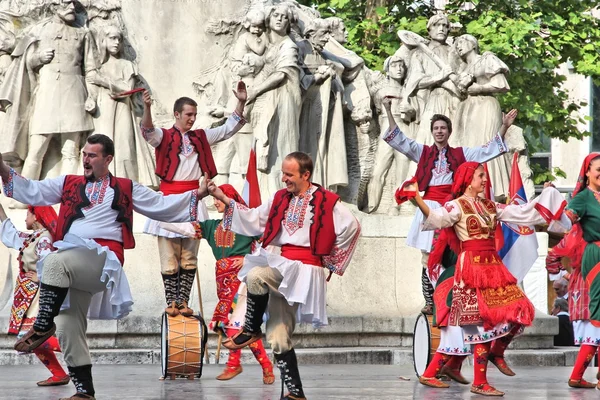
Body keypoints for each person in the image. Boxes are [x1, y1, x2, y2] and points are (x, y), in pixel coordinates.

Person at [4, 134, 210, 400]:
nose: (85, 160)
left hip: (102, 260)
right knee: (68, 326)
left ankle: (43, 325)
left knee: (53, 261)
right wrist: (1, 167)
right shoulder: (68, 183)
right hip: (70, 262)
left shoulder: (125, 186)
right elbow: (32, 190)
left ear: (108, 159)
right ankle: (84, 391)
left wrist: (199, 194)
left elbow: (162, 206)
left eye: (92, 155)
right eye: (84, 154)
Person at [207, 151, 361, 400]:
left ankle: (250, 328)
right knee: (278, 338)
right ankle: (295, 393)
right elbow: (254, 218)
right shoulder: (280, 198)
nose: (284, 179)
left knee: (256, 275)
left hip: (304, 268)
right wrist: (221, 195)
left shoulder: (327, 200)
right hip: (282, 266)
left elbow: (352, 227)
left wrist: (329, 258)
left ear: (306, 175)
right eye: (283, 173)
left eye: (289, 174)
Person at [411, 161, 567, 395]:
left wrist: (547, 195)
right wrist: (417, 200)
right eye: (480, 176)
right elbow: (437, 219)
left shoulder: (490, 205)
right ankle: (475, 380)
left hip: (493, 268)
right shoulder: (456, 206)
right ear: (467, 179)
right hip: (470, 270)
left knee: (520, 310)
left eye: (484, 176)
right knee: (479, 323)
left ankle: (492, 354)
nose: (485, 180)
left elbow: (523, 212)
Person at [382, 96, 517, 314]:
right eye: (436, 128)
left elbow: (488, 150)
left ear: (449, 131)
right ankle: (429, 300)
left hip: (453, 208)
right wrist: (388, 110)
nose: (439, 131)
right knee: (427, 257)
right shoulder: (422, 152)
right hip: (429, 208)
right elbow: (399, 139)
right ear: (432, 131)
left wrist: (504, 126)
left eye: (443, 128)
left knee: (454, 253)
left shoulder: (461, 154)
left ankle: (452, 297)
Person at [140, 82, 247, 317]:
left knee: (189, 256)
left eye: (195, 115)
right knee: (169, 255)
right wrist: (147, 107)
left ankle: (183, 301)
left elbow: (228, 128)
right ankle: (171, 301)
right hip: (168, 200)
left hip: (194, 199)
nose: (192, 119)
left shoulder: (200, 137)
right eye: (188, 114)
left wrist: (240, 102)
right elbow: (147, 131)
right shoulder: (164, 136)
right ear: (176, 114)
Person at [159, 184, 275, 385]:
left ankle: (233, 364)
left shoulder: (247, 224)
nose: (215, 202)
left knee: (233, 322)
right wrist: (158, 220)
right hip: (223, 280)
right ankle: (265, 365)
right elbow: (186, 229)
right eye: (214, 199)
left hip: (243, 279)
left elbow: (268, 242)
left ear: (230, 199)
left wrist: (249, 259)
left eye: (219, 198)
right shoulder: (212, 226)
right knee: (238, 325)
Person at [3, 0, 97, 180]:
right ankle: (24, 195)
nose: (71, 8)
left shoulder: (83, 33)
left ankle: (68, 195)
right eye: (67, 4)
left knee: (71, 150)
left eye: (73, 5)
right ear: (54, 7)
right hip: (48, 92)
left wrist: (91, 96)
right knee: (36, 148)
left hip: (75, 93)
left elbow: (90, 68)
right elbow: (23, 61)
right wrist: (38, 58)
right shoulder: (39, 30)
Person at [0, 203, 70, 387]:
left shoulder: (44, 239)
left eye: (28, 214)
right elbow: (12, 234)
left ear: (36, 216)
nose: (25, 218)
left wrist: (40, 278)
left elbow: (51, 263)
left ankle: (73, 348)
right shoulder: (34, 237)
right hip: (28, 293)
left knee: (33, 337)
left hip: (38, 294)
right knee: (30, 338)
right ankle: (59, 374)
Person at [551, 153, 600, 389]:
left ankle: (581, 375)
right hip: (596, 255)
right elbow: (565, 221)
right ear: (588, 172)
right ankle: (579, 376)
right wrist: (551, 206)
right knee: (597, 314)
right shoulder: (582, 198)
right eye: (598, 169)